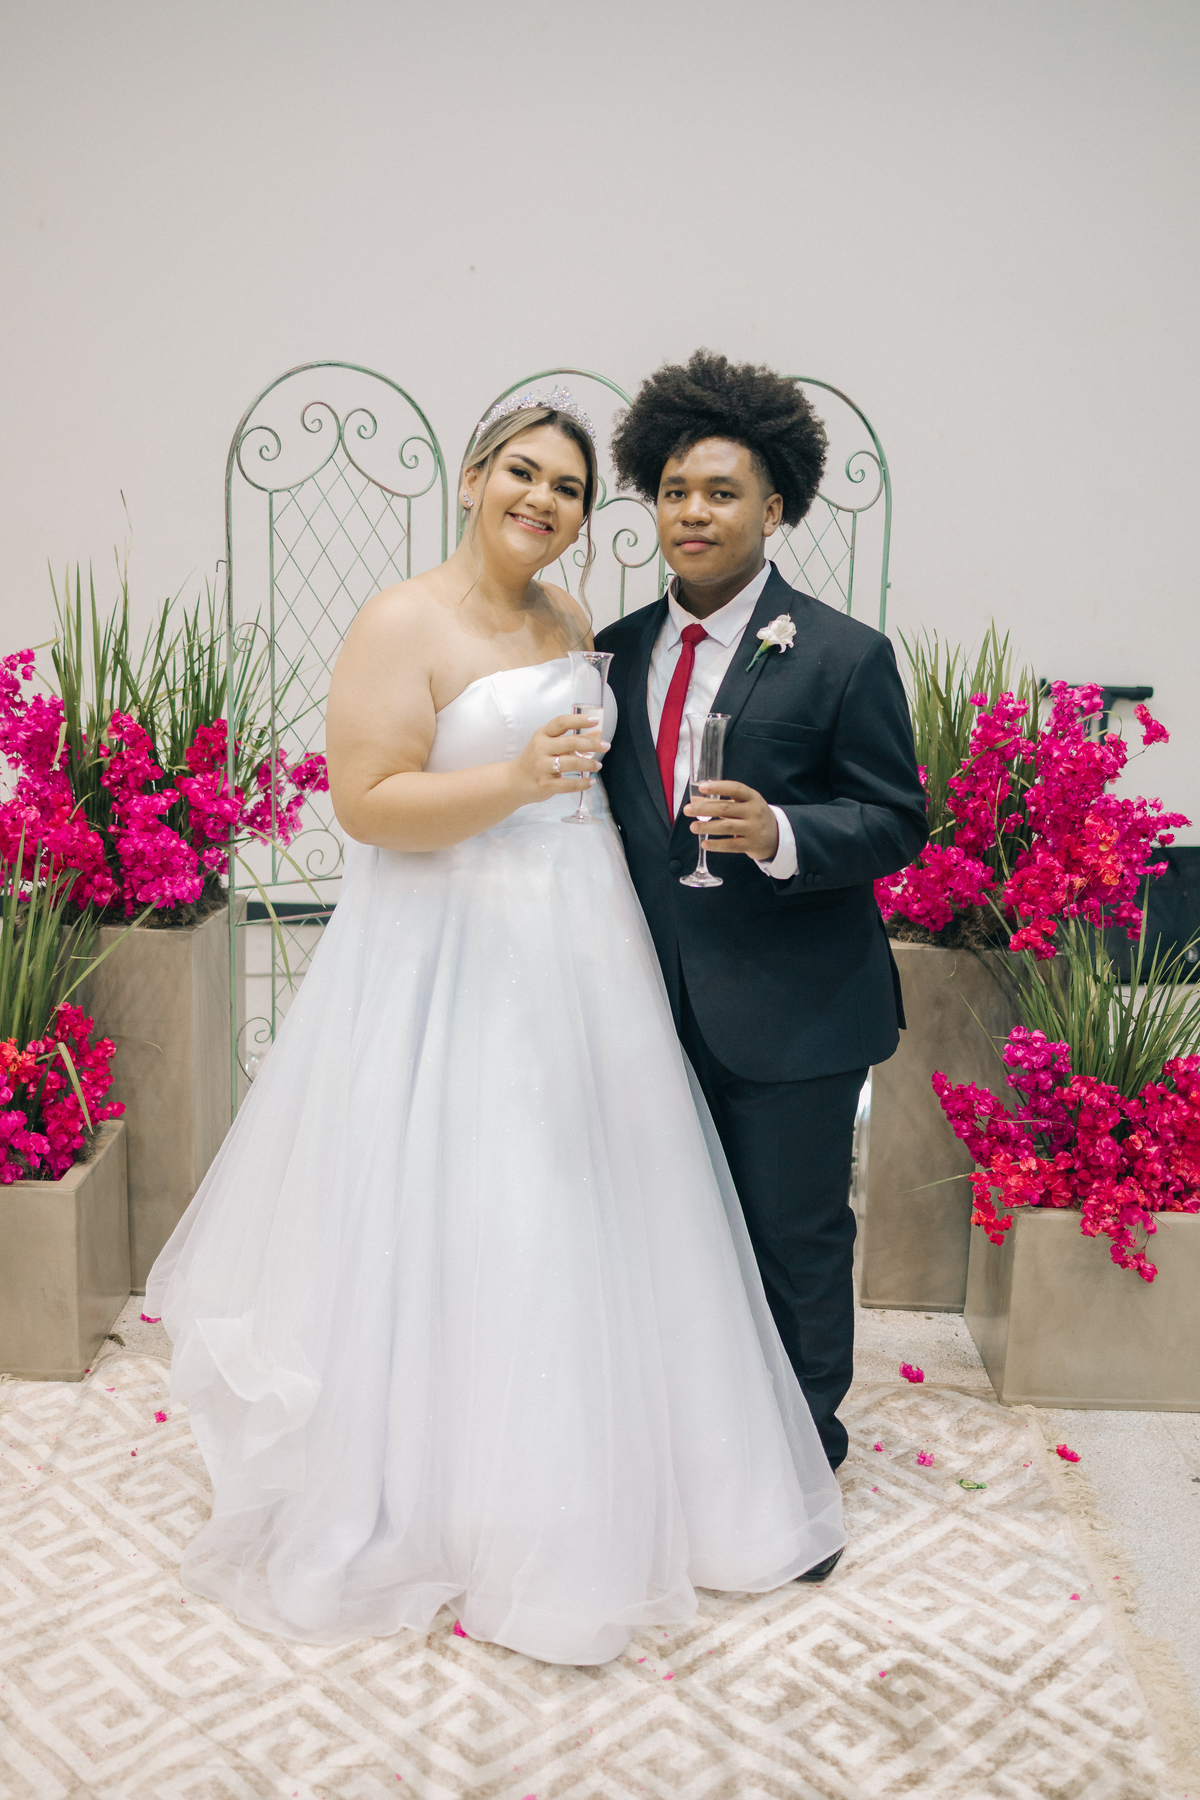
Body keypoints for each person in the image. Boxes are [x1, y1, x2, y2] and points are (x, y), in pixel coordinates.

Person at [144, 385, 845, 1668]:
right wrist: (514, 780)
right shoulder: (400, 620)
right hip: (454, 945)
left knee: (604, 1200)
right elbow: (368, 805)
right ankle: (455, 1497)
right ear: (473, 477)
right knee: (479, 1196)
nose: (544, 499)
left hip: (586, 944)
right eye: (523, 472)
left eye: (569, 487)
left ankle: (639, 1479)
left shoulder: (571, 618)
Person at [596, 351, 928, 1485]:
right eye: (675, 491)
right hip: (646, 1005)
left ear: (775, 508)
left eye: (722, 492)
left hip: (797, 1011)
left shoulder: (842, 653)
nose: (693, 512)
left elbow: (895, 820)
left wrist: (783, 832)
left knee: (794, 1238)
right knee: (666, 1238)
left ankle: (799, 1469)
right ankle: (687, 1453)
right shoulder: (614, 652)